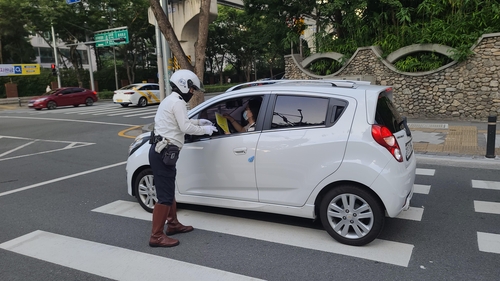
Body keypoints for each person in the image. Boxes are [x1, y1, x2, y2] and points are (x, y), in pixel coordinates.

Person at [149, 69, 217, 248]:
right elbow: (185, 127)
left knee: (169, 190)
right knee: (164, 196)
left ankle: (173, 224)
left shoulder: (172, 100)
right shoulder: (177, 102)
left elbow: (179, 123)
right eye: (192, 88)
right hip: (164, 153)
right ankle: (156, 236)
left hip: (162, 152)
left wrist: (199, 122)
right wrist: (204, 129)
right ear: (183, 85)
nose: (192, 92)